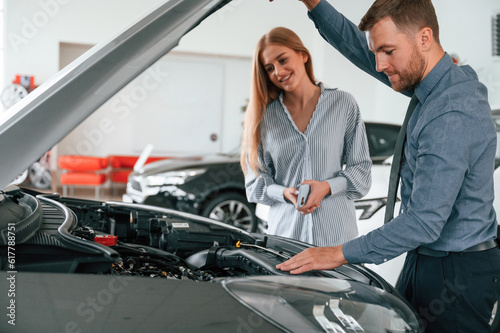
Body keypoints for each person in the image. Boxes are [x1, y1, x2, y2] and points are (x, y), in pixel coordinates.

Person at [275, 0, 500, 332]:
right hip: (428, 260)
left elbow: (424, 221)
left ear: (424, 38)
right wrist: (314, 3)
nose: (379, 64)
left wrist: (338, 253)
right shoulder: (435, 82)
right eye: (377, 51)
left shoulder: (452, 111)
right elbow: (359, 48)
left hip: (456, 276)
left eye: (388, 51)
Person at [240, 26, 372, 247]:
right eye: (269, 68)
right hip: (286, 240)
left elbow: (361, 172)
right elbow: (254, 185)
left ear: (303, 55)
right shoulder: (263, 118)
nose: (278, 72)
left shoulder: (343, 104)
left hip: (337, 239)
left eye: (283, 60)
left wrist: (327, 187)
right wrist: (284, 193)